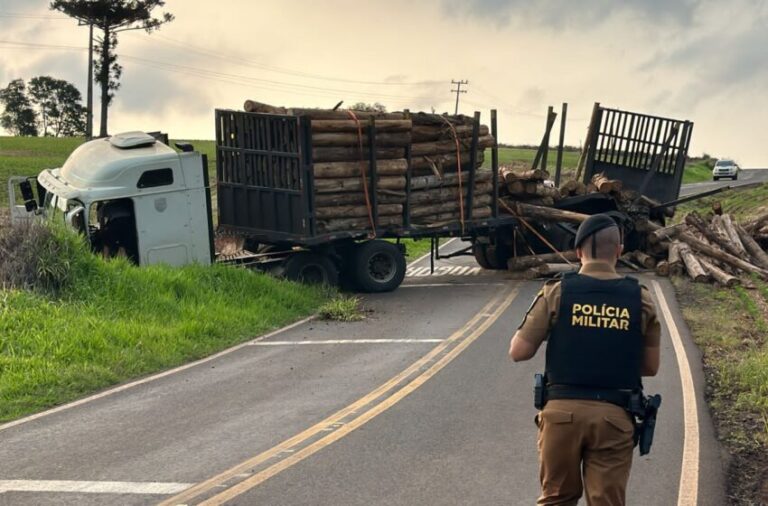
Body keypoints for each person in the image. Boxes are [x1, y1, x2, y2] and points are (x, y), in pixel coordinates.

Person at [508, 214, 661, 506]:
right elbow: (650, 368)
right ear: (619, 250)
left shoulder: (558, 291)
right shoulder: (640, 299)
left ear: (578, 252)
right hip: (614, 419)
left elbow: (519, 351)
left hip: (560, 418)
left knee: (556, 499)